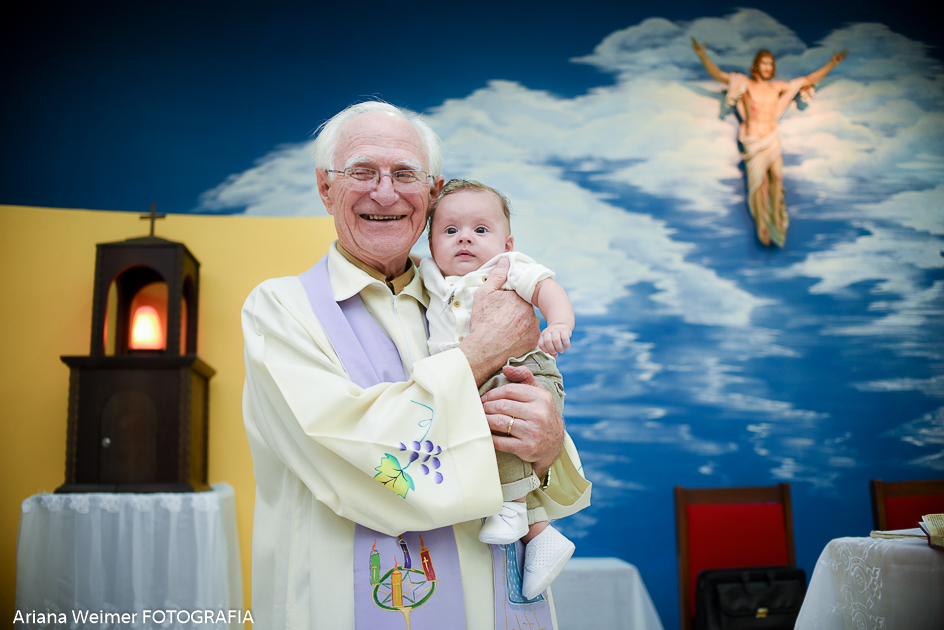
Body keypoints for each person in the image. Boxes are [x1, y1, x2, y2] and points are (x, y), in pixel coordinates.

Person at [241, 101, 591, 629]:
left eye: (405, 174)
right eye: (362, 172)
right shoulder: (280, 310)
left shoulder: (471, 298)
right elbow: (356, 456)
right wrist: (481, 353)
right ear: (325, 187)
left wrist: (546, 442)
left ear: (432, 193)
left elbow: (529, 422)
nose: (385, 193)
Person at [421, 178, 576, 599]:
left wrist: (558, 323)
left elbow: (547, 289)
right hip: (471, 374)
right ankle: (541, 535)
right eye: (449, 230)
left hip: (519, 369)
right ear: (431, 243)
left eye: (480, 229)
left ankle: (512, 508)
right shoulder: (429, 276)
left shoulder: (506, 267)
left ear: (506, 243)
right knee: (482, 436)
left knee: (502, 426)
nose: (464, 238)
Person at [692, 39, 848, 247]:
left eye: (770, 64)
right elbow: (719, 75)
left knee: (777, 177)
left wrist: (832, 64)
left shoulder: (777, 87)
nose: (767, 67)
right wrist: (702, 55)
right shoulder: (745, 85)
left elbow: (806, 81)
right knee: (757, 185)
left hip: (771, 138)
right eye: (763, 63)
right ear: (756, 66)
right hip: (754, 141)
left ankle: (775, 216)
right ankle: (762, 224)